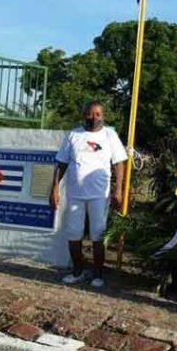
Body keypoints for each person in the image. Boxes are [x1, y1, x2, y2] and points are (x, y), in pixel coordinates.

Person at [51, 101, 128, 288]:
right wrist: (54, 189)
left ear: (103, 116)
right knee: (74, 233)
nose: (94, 118)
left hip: (99, 195)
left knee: (98, 234)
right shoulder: (73, 135)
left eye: (98, 114)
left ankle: (97, 275)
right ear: (84, 114)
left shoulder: (109, 134)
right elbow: (61, 164)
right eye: (90, 114)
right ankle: (77, 272)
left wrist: (118, 189)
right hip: (75, 194)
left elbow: (119, 163)